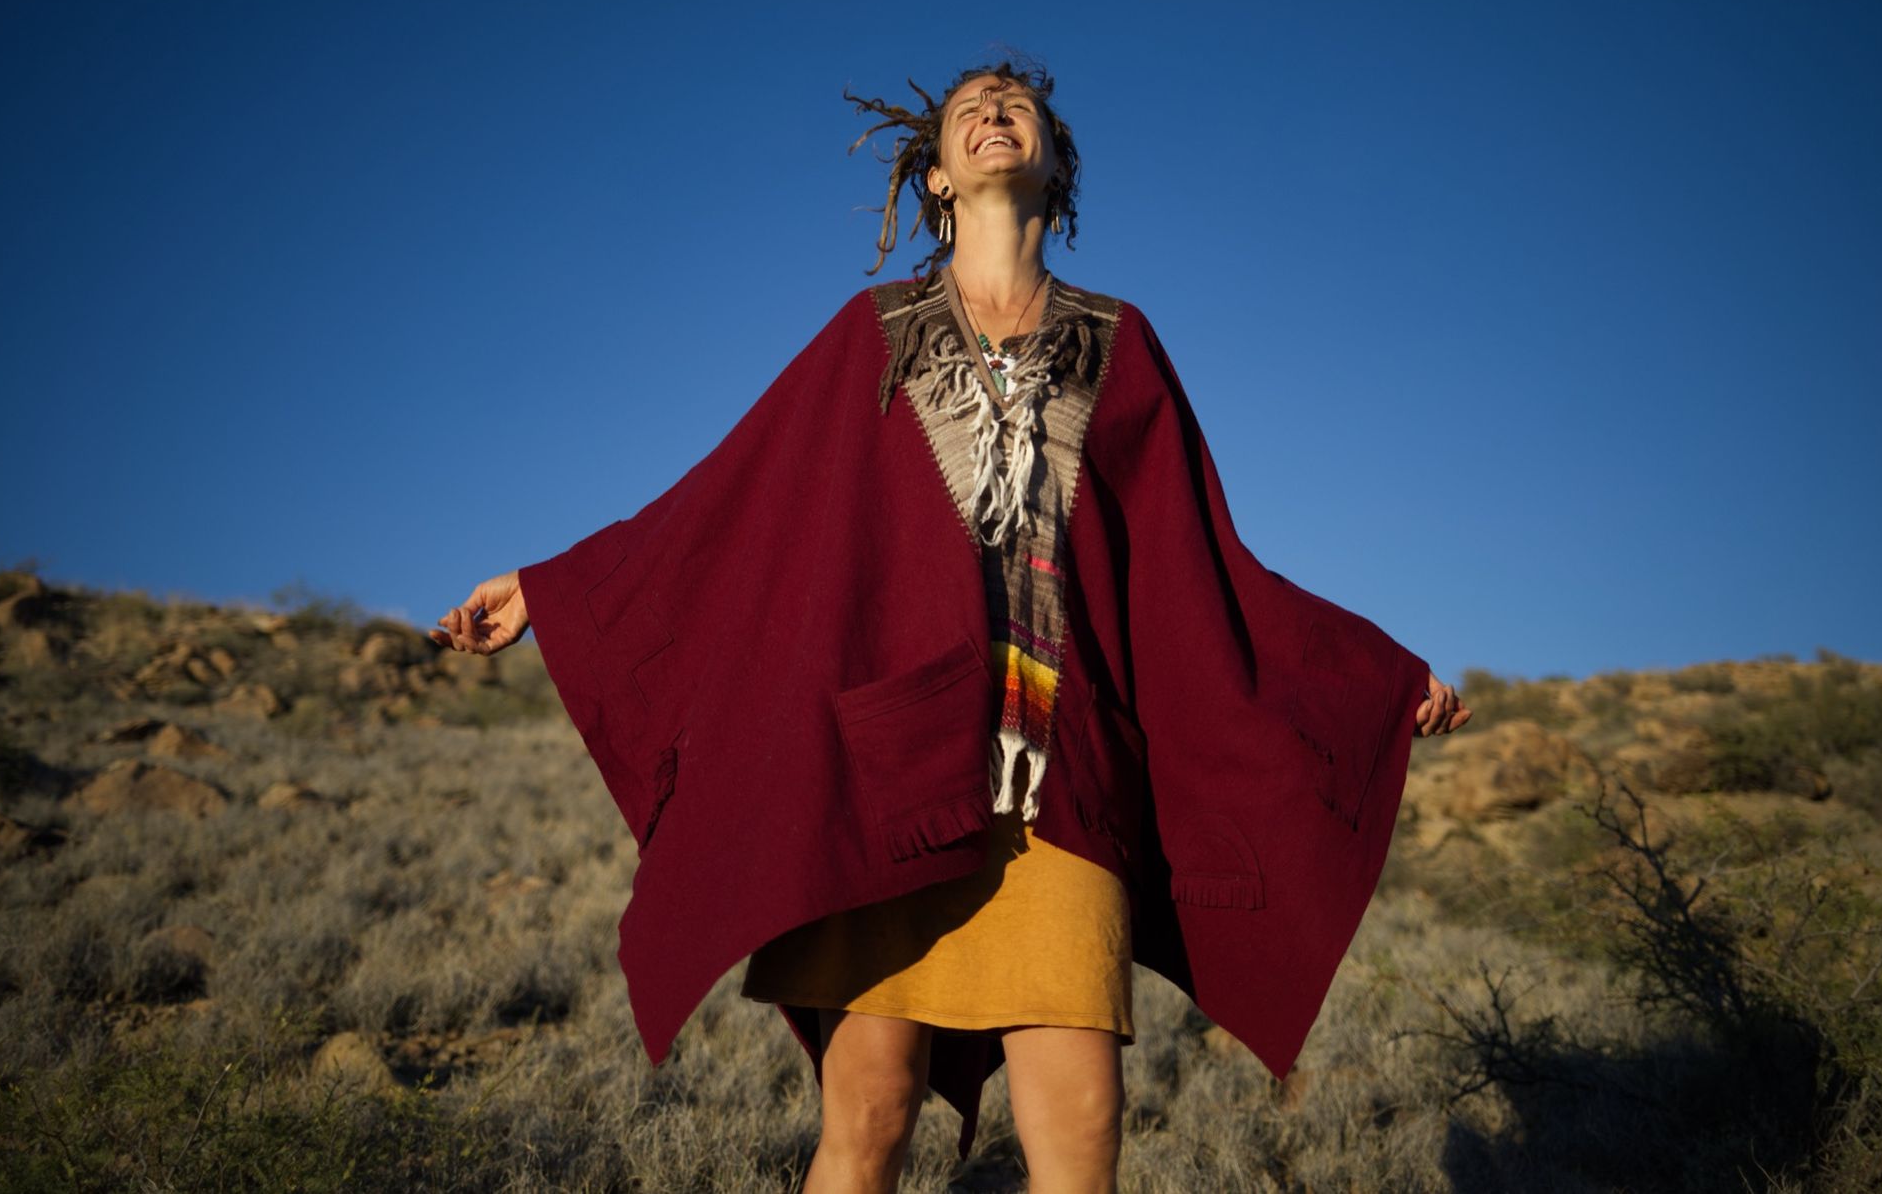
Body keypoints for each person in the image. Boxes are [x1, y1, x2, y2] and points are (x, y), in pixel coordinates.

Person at [430, 57, 1470, 1193]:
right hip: (889, 782)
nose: (990, 112)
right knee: (868, 1119)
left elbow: (1202, 567)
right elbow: (731, 500)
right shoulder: (871, 332)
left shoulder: (1118, 344)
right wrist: (551, 587)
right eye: (967, 107)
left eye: (1015, 104)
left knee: (1079, 1135)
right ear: (933, 179)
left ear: (1053, 163)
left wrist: (1370, 679)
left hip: (1060, 790)